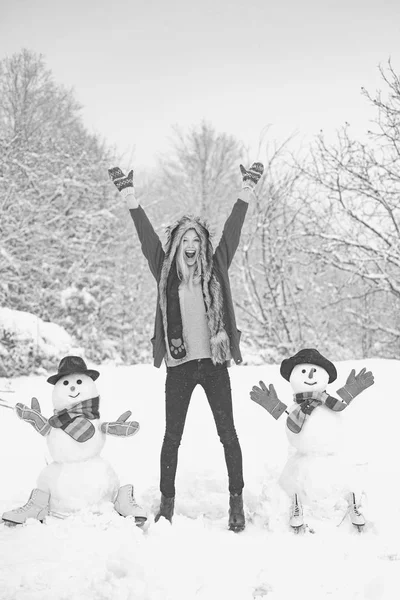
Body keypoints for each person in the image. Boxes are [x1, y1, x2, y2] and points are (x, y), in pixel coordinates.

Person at [108, 161, 264, 531]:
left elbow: (233, 230)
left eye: (197, 239)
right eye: (185, 240)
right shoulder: (164, 272)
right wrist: (129, 197)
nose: (191, 245)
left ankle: (236, 502)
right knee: (171, 438)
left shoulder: (216, 267)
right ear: (176, 245)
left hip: (214, 366)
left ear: (203, 245)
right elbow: (146, 237)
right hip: (179, 366)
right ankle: (167, 503)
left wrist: (246, 190)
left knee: (229, 435)